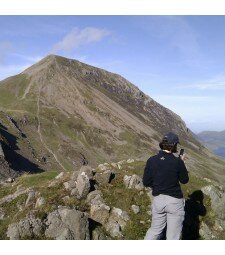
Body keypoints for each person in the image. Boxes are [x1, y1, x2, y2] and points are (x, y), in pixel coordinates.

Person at [143, 132, 189, 240]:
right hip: (175, 202)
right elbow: (184, 180)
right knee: (172, 237)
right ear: (174, 146)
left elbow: (146, 182)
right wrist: (182, 163)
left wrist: (157, 185)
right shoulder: (177, 162)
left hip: (158, 200)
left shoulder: (151, 160)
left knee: (154, 231)